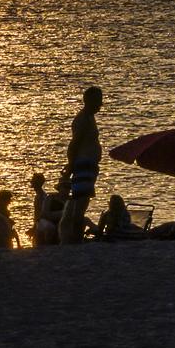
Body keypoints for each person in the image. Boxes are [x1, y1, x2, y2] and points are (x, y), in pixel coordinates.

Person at [59, 86, 103, 246]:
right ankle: (75, 239)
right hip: (83, 165)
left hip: (88, 165)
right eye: (98, 100)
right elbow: (74, 144)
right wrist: (70, 166)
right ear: (89, 101)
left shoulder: (89, 117)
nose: (101, 104)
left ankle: (75, 238)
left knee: (82, 202)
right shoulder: (83, 119)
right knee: (80, 203)